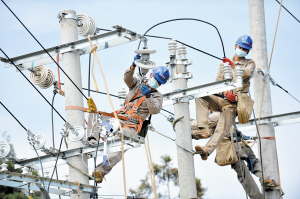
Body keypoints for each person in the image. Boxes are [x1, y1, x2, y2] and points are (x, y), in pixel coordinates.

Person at [91, 54, 170, 183]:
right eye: (154, 79)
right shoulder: (138, 83)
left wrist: (148, 96)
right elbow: (127, 79)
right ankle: (92, 142)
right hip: (119, 119)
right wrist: (133, 66)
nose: (155, 82)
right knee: (99, 119)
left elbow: (155, 110)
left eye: (158, 82)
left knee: (120, 146)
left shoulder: (157, 96)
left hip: (131, 126)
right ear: (150, 75)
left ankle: (100, 171)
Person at [193, 35, 256, 160]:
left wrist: (232, 65)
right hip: (222, 99)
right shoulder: (223, 65)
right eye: (241, 47)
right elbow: (217, 83)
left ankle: (206, 150)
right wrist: (225, 93)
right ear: (235, 46)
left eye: (245, 49)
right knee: (200, 96)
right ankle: (204, 130)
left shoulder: (250, 64)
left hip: (235, 103)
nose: (243, 51)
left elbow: (245, 73)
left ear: (248, 51)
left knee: (221, 128)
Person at [208, 112, 263, 199]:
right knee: (254, 161)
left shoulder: (214, 117)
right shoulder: (227, 113)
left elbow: (206, 131)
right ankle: (264, 178)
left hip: (232, 149)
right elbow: (237, 132)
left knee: (243, 174)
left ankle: (257, 197)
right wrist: (248, 138)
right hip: (242, 144)